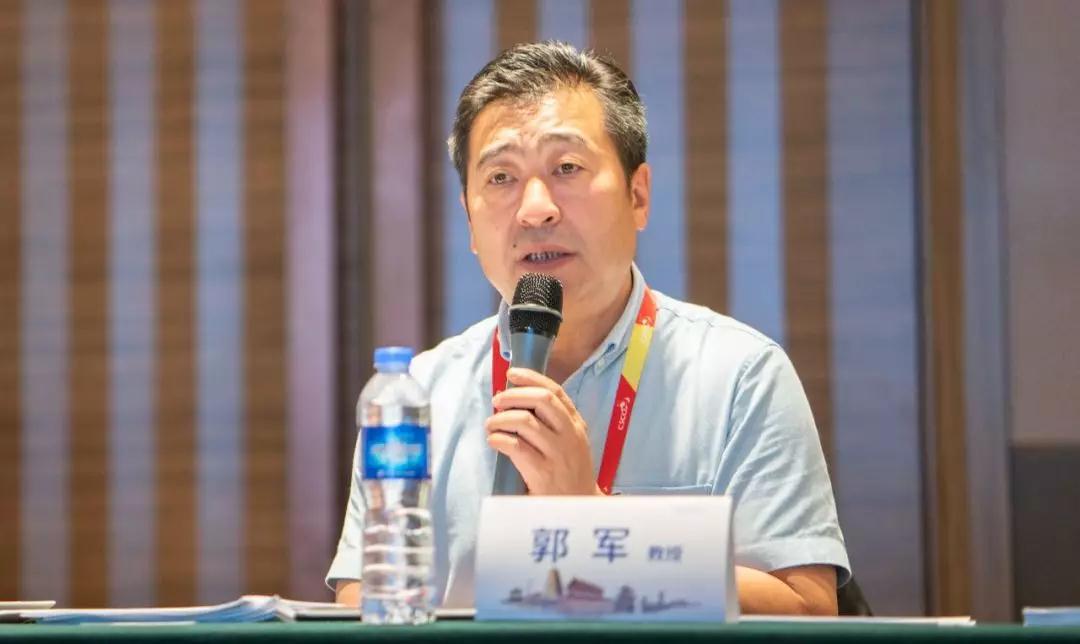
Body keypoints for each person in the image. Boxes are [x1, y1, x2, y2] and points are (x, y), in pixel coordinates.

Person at [328, 41, 850, 615]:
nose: (535, 208)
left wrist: (592, 515)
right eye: (500, 176)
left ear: (638, 195)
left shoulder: (741, 377)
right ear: (470, 221)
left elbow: (807, 608)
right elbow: (362, 603)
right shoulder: (417, 394)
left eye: (567, 169)